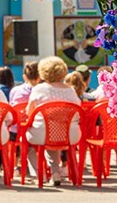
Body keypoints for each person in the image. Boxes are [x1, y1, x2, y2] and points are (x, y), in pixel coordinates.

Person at [26, 56, 81, 187]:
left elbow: (29, 112)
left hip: (43, 132)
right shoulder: (71, 90)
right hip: (70, 134)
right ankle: (55, 172)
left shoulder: (38, 89)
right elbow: (78, 112)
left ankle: (39, 175)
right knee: (53, 139)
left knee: (31, 146)